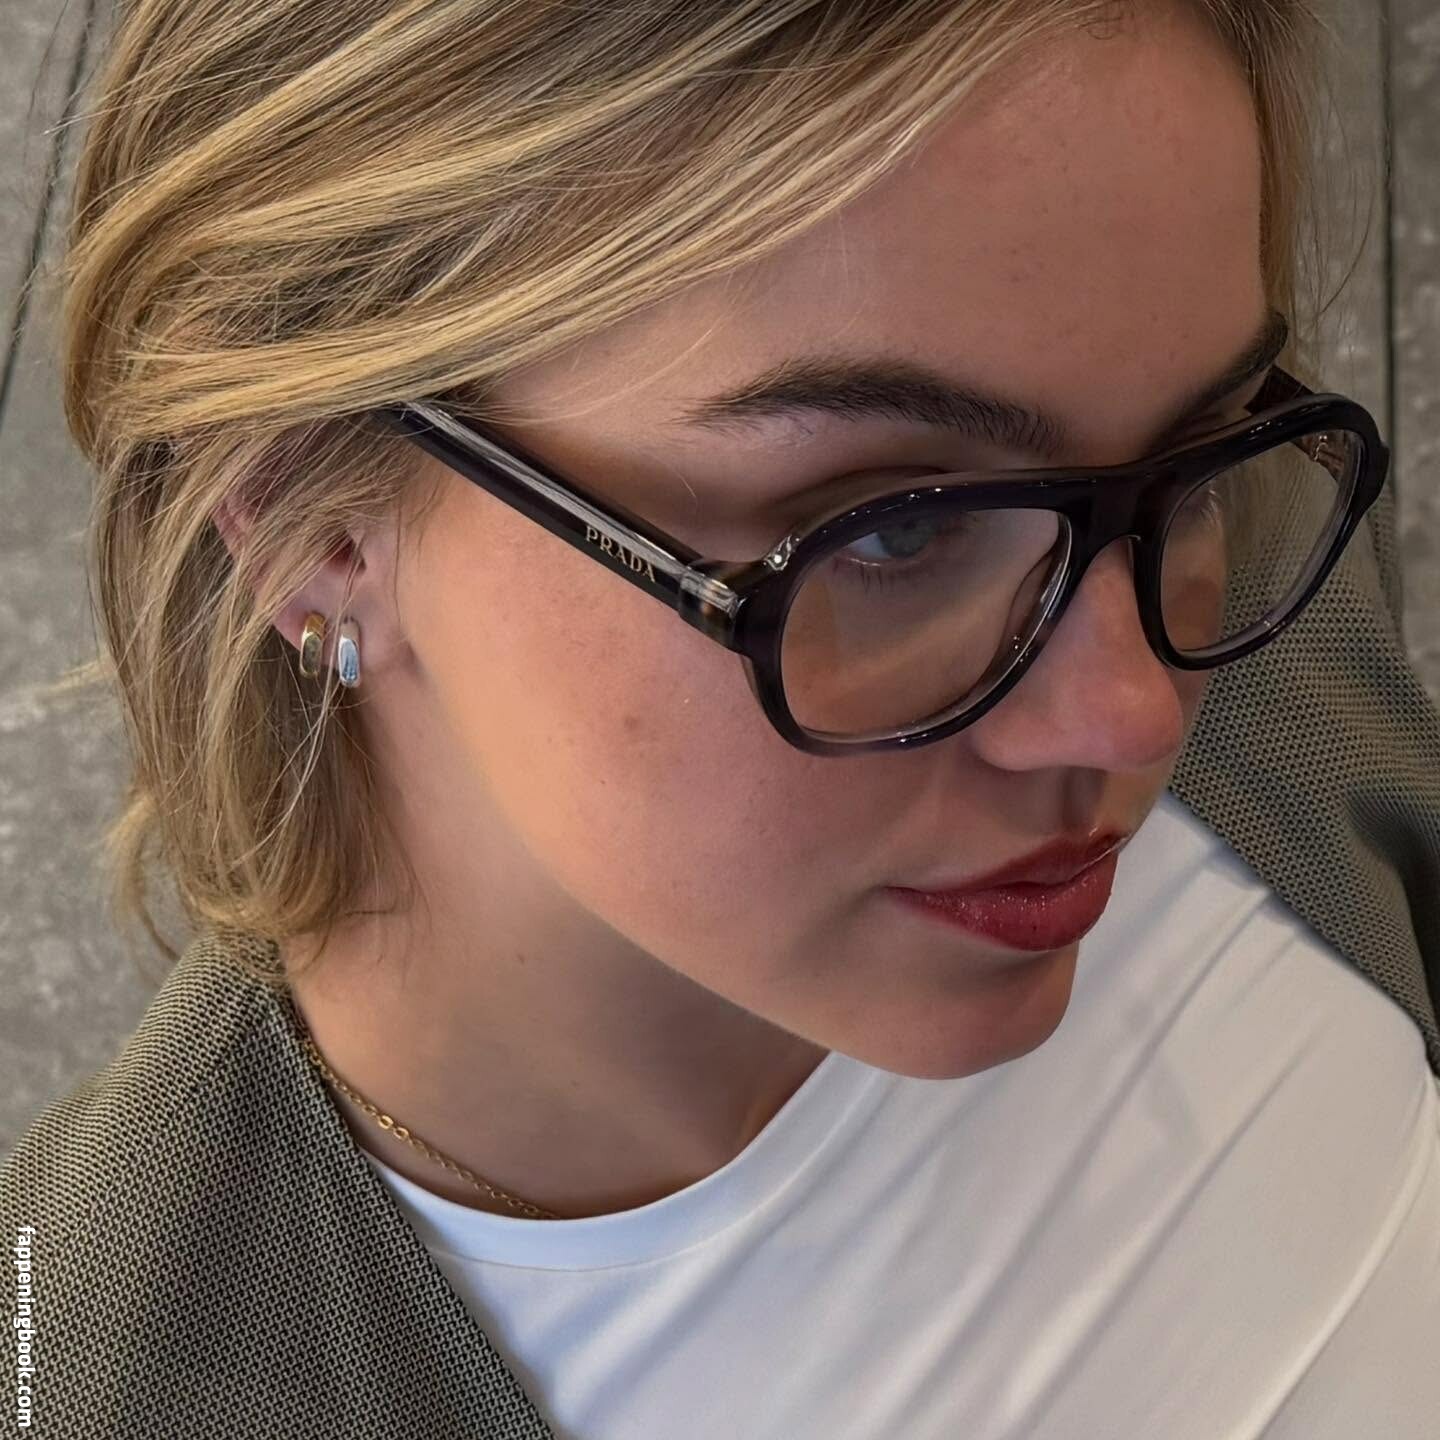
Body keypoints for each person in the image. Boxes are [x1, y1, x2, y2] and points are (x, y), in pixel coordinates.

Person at [4, 0, 1439, 1435]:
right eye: (893, 532)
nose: (1130, 715)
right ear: (307, 519)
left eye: (1202, 449)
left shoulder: (1256, 571)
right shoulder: (104, 1379)